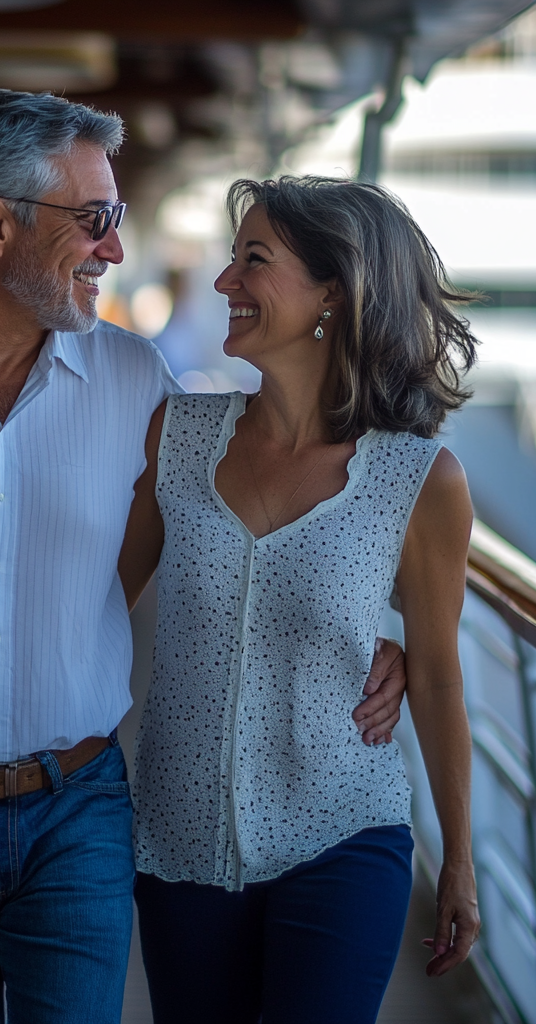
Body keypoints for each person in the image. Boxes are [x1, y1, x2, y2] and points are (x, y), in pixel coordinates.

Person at [0, 91, 406, 1024]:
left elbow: (251, 523)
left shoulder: (138, 384)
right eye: (95, 221)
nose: (116, 250)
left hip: (77, 811)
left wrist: (381, 636)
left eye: (118, 220)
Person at [118, 175, 482, 1024]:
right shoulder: (176, 435)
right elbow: (96, 602)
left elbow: (435, 680)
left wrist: (459, 860)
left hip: (345, 838)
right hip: (177, 844)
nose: (223, 284)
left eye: (253, 261)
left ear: (334, 291)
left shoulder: (419, 479)